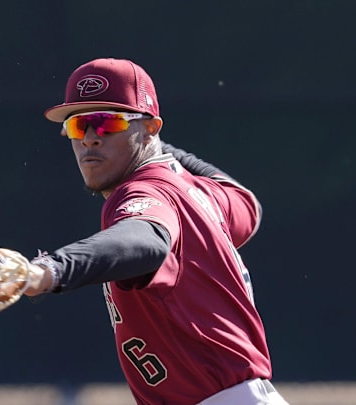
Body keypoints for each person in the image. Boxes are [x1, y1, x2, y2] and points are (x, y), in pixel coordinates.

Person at [21, 58, 289, 404]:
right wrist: (162, 150)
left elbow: (146, 239)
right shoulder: (199, 192)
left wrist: (49, 269)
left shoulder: (141, 192)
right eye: (78, 126)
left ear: (150, 128)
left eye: (106, 123)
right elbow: (246, 203)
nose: (89, 139)